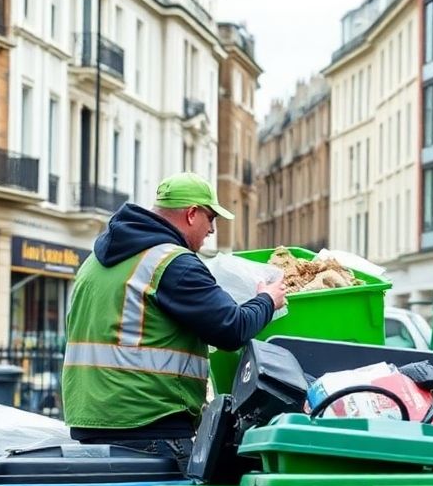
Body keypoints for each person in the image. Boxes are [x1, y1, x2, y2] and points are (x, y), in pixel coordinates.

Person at [61, 172, 287, 468]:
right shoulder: (172, 262)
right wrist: (267, 300)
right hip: (150, 423)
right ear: (192, 214)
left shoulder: (96, 261)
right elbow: (232, 329)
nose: (212, 229)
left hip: (90, 422)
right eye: (211, 219)